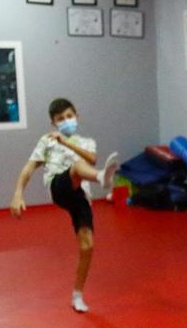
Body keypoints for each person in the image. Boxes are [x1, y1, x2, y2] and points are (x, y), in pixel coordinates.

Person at [9, 98, 118, 313]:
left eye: (69, 116)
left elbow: (93, 157)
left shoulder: (85, 142)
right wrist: (18, 193)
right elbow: (29, 168)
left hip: (80, 196)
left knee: (87, 245)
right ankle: (102, 178)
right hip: (58, 187)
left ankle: (77, 295)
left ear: (77, 116)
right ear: (53, 124)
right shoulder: (47, 141)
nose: (66, 121)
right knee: (76, 167)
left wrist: (66, 142)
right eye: (60, 119)